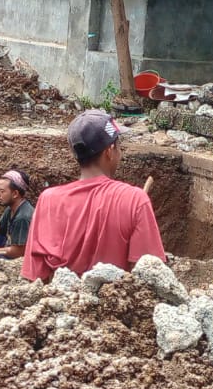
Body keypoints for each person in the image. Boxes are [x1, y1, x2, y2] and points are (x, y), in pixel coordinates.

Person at [22, 110, 164, 281]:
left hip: (60, 297)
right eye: (119, 147)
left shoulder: (48, 200)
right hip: (113, 297)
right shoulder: (134, 199)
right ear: (109, 151)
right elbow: (149, 277)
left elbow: (34, 278)